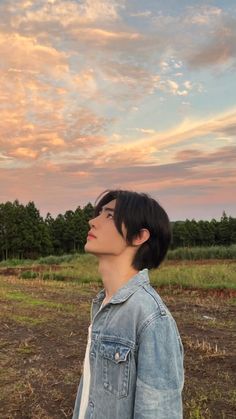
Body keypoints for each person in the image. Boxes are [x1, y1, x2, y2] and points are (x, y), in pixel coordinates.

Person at [72, 189, 184, 419]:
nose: (92, 221)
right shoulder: (104, 305)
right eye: (99, 214)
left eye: (109, 215)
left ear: (138, 236)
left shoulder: (151, 318)